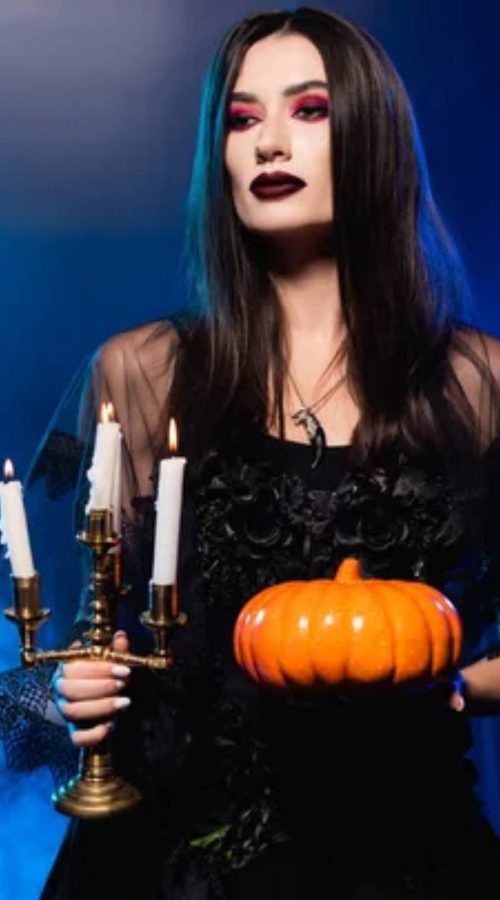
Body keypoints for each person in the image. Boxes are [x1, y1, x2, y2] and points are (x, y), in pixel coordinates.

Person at [4, 6, 500, 898]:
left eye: (308, 110)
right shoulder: (143, 370)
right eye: (242, 118)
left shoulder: (479, 382)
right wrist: (76, 688)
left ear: (373, 135)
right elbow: (90, 639)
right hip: (171, 865)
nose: (269, 142)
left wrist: (460, 685)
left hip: (406, 860)